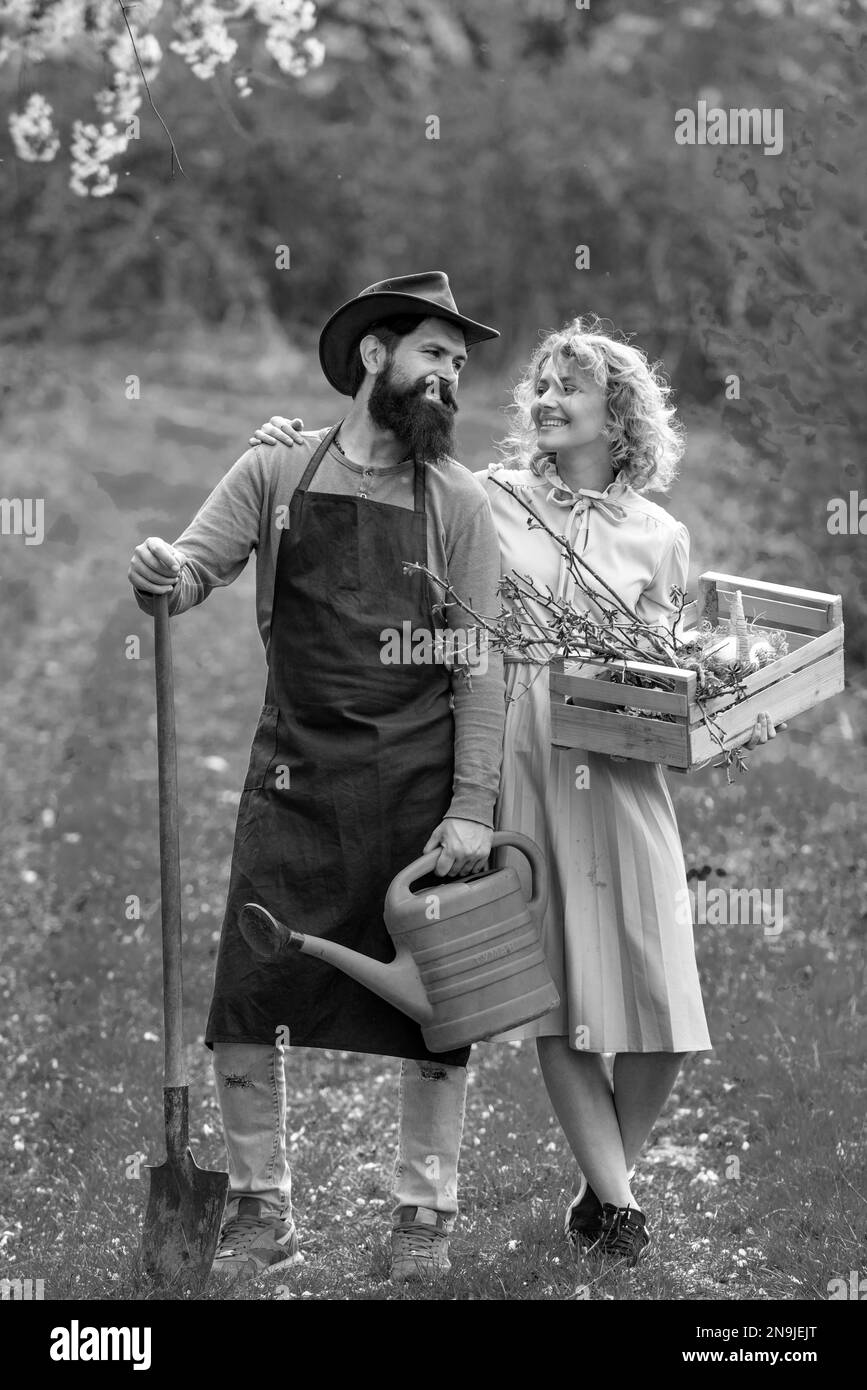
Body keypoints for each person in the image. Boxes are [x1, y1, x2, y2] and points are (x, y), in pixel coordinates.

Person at [250, 313, 782, 1269]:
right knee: (560, 996)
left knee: (662, 1005)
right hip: (518, 765)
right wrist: (289, 449)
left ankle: (598, 1181)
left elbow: (669, 659)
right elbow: (367, 466)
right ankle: (617, 1205)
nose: (540, 400)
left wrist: (720, 700)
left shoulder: (660, 534)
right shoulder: (486, 498)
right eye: (536, 386)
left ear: (615, 417)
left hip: (617, 771)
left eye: (564, 388)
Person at [128, 272, 506, 1286]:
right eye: (434, 354)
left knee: (438, 1010)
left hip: (419, 791)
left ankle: (425, 1213)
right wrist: (162, 569)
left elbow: (481, 666)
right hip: (294, 775)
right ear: (375, 355)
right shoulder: (279, 468)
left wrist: (473, 808)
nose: (450, 379)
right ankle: (259, 1205)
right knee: (250, 996)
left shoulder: (460, 503)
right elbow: (192, 569)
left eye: (461, 366)